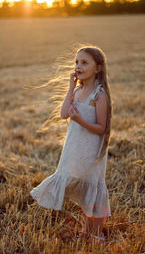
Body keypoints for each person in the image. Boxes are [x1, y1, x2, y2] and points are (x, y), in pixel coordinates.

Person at [30, 45, 112, 243]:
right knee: (83, 190)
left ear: (97, 69)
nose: (78, 66)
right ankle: (86, 231)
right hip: (74, 149)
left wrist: (81, 121)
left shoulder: (99, 96)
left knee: (92, 187)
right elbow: (64, 113)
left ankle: (96, 234)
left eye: (84, 62)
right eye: (76, 62)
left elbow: (101, 128)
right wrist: (69, 87)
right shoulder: (77, 91)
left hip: (91, 151)